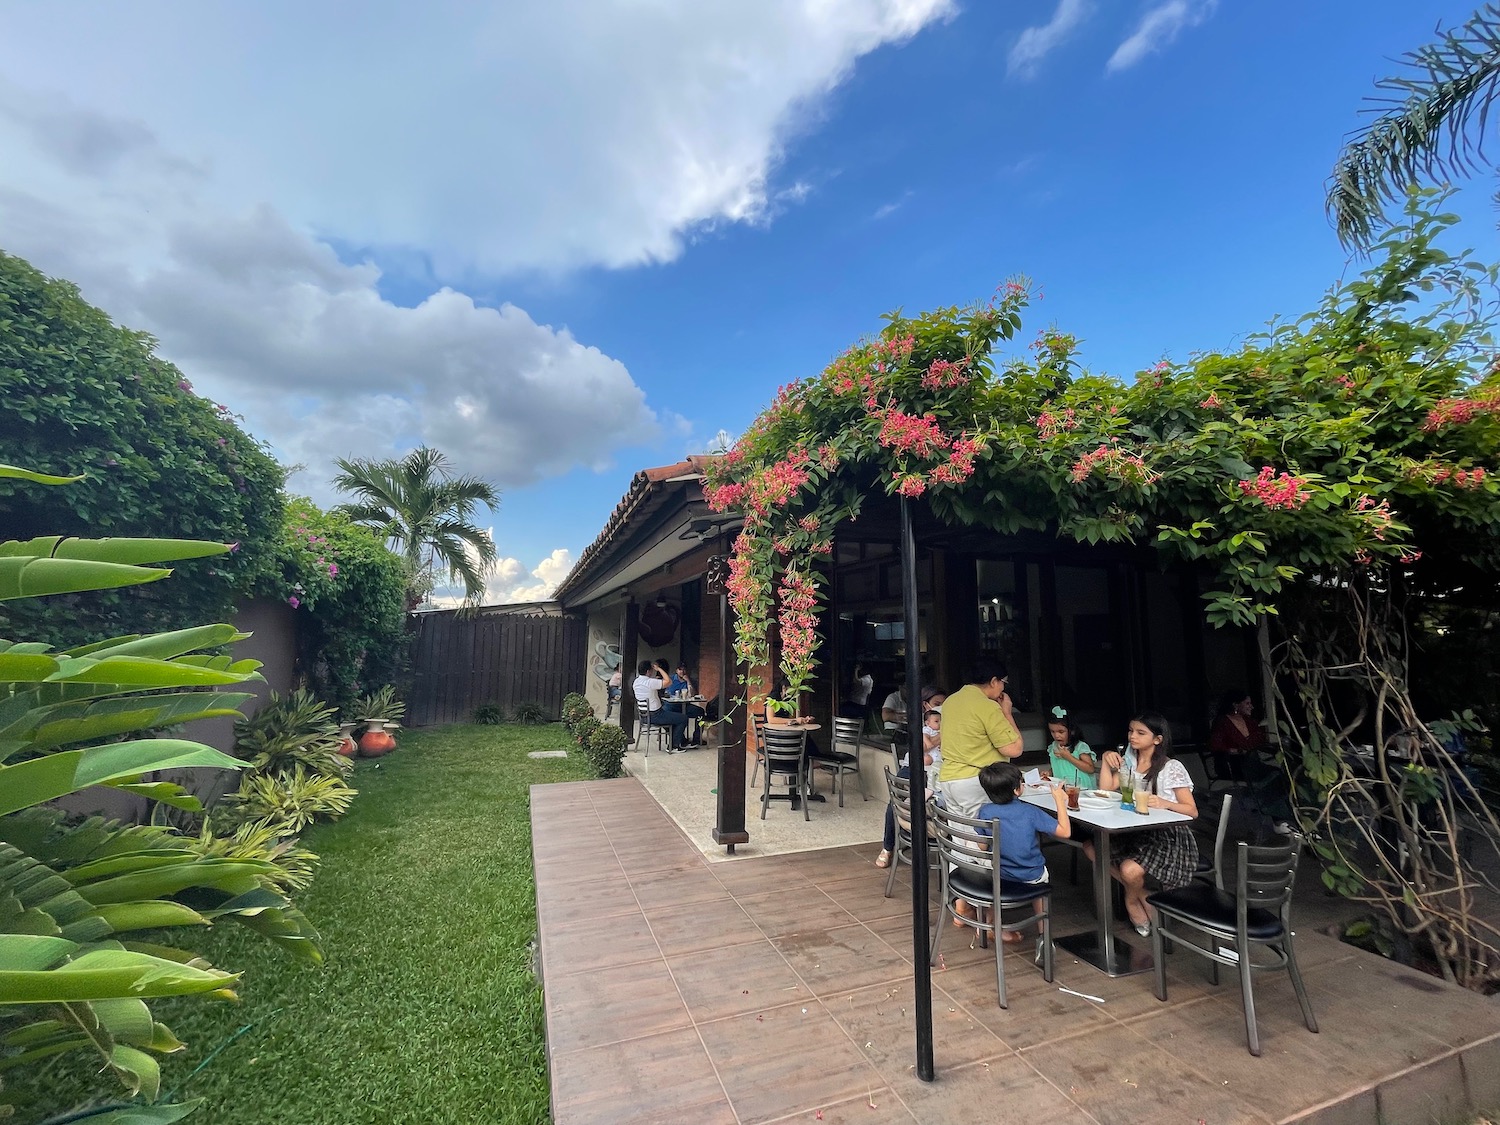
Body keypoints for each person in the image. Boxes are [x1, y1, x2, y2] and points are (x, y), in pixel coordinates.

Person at [1090, 711, 1198, 936]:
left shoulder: (1171, 767)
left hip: (1169, 836)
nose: (1132, 737)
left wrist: (1164, 802)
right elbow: (1105, 790)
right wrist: (1105, 760)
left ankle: (1132, 902)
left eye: (1140, 733)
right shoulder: (1131, 764)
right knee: (1092, 848)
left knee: (1129, 870)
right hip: (1137, 832)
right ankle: (1144, 897)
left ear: (1157, 739)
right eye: (1131, 731)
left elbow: (1191, 810)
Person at [956, 761, 1071, 941]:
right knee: (1040, 879)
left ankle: (988, 925)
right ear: (1017, 789)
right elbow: (1065, 831)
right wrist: (1059, 801)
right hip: (1030, 876)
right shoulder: (1030, 812)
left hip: (1001, 874)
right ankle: (1043, 934)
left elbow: (982, 846)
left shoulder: (985, 811)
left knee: (994, 872)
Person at [935, 660, 1024, 818]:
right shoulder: (987, 706)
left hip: (949, 778)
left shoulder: (951, 701)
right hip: (977, 781)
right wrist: (1007, 714)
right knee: (982, 838)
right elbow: (1014, 749)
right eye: (1003, 682)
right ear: (993, 681)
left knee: (961, 837)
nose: (1004, 687)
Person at [632, 659, 689, 752]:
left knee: (672, 719)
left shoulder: (636, 682)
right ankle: (674, 746)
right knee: (683, 718)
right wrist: (659, 669)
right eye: (652, 670)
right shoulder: (650, 682)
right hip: (656, 715)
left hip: (644, 716)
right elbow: (669, 681)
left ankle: (681, 741)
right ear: (648, 671)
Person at [1044, 705, 1096, 786]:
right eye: (1052, 731)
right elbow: (1059, 767)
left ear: (1072, 731)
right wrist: (1049, 773)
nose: (1056, 735)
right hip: (1062, 787)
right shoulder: (1053, 747)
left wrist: (1069, 757)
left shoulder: (1080, 747)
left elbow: (1090, 768)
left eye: (1061, 732)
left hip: (1081, 788)